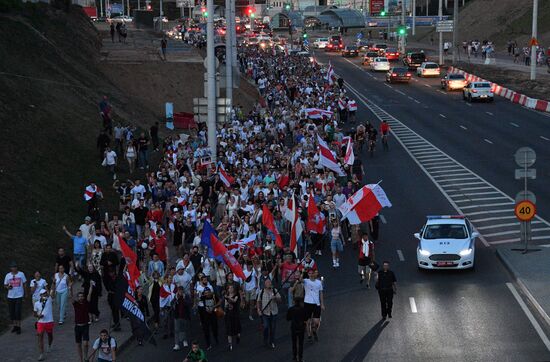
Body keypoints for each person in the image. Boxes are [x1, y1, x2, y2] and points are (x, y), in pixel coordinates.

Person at [195, 275, 219, 350]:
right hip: (202, 309)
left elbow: (215, 297)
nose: (205, 281)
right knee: (206, 327)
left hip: (212, 309)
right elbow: (197, 298)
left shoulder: (210, 287)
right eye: (204, 280)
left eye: (206, 280)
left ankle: (216, 337)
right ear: (201, 281)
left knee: (214, 325)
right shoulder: (198, 288)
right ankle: (208, 343)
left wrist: (214, 306)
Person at [256, 278, 281, 349]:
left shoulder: (275, 291)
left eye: (269, 282)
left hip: (274, 312)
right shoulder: (261, 292)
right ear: (264, 284)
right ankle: (265, 339)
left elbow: (280, 300)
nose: (268, 284)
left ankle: (272, 341)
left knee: (273, 328)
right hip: (265, 313)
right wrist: (258, 309)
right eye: (267, 282)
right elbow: (258, 301)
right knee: (266, 327)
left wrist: (275, 298)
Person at [4, 261, 27, 334]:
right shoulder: (8, 275)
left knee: (18, 311)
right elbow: (5, 285)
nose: (14, 268)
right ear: (10, 268)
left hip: (19, 295)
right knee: (12, 312)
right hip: (10, 296)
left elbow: (24, 283)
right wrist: (8, 287)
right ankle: (15, 326)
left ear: (17, 268)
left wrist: (25, 293)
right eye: (13, 267)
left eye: (15, 267)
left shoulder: (21, 274)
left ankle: (19, 327)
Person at [303, 269, 324, 342]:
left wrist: (322, 304)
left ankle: (314, 330)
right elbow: (300, 279)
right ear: (308, 274)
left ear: (315, 274)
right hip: (307, 303)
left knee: (317, 322)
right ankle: (309, 336)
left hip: (316, 304)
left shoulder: (319, 283)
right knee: (307, 321)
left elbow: (321, 293)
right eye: (309, 273)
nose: (311, 275)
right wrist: (302, 272)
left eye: (312, 273)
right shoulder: (305, 281)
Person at [34, 289, 54, 361]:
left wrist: (54, 283)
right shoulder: (36, 303)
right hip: (40, 322)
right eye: (43, 294)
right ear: (40, 295)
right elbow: (34, 313)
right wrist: (38, 316)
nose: (44, 294)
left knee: (50, 335)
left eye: (45, 293)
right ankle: (41, 354)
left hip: (49, 321)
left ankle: (49, 345)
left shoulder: (49, 300)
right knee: (40, 337)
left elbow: (53, 291)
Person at [73, 289, 93, 362]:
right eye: (79, 296)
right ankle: (81, 359)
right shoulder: (76, 304)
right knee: (78, 344)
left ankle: (86, 356)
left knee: (85, 344)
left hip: (85, 326)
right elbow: (71, 297)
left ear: (84, 297)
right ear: (77, 298)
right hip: (77, 326)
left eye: (82, 296)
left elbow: (89, 294)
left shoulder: (86, 303)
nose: (81, 297)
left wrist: (90, 287)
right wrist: (70, 288)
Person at [286, 297, 307, 362]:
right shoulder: (303, 309)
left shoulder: (291, 309)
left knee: (294, 343)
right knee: (301, 343)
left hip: (293, 327)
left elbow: (288, 318)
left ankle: (294, 356)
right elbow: (305, 318)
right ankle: (300, 357)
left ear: (294, 302)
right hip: (301, 327)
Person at [224, 284, 241, 351]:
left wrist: (228, 297)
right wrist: (227, 305)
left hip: (235, 314)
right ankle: (230, 344)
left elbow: (234, 300)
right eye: (229, 288)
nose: (230, 289)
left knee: (236, 328)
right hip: (229, 315)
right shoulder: (226, 297)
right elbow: (225, 306)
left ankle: (238, 336)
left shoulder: (236, 295)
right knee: (229, 330)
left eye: (231, 288)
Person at [173, 285, 191, 351]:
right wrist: (176, 299)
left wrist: (183, 299)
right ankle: (176, 344)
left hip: (184, 315)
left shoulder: (186, 296)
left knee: (183, 328)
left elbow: (189, 304)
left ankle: (184, 340)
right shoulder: (175, 297)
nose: (180, 292)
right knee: (177, 329)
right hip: (177, 315)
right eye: (179, 291)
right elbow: (172, 304)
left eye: (181, 290)